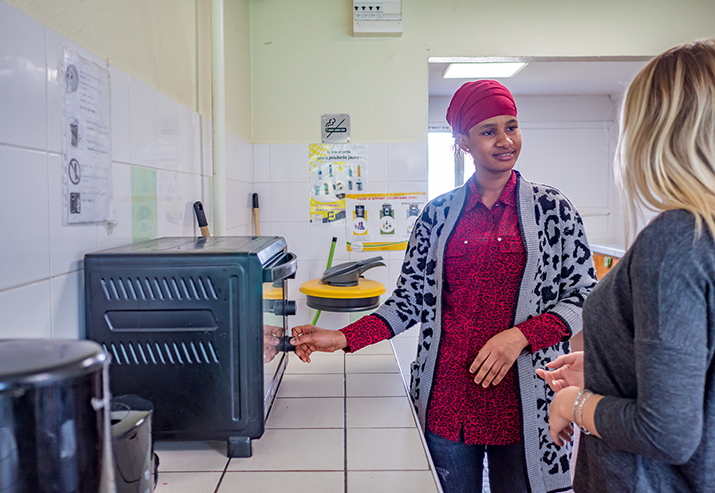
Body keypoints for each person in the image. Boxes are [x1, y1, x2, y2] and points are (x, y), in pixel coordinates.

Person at [291, 79, 597, 493]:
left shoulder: (552, 209)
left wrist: (520, 337)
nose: (505, 140)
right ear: (463, 142)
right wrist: (343, 337)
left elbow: (582, 296)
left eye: (512, 126)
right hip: (449, 401)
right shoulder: (437, 215)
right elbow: (408, 302)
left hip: (528, 400)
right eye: (489, 131)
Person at [540, 39, 715, 493]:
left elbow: (667, 431)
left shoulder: (677, 241)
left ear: (657, 132)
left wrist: (572, 402)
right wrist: (605, 365)